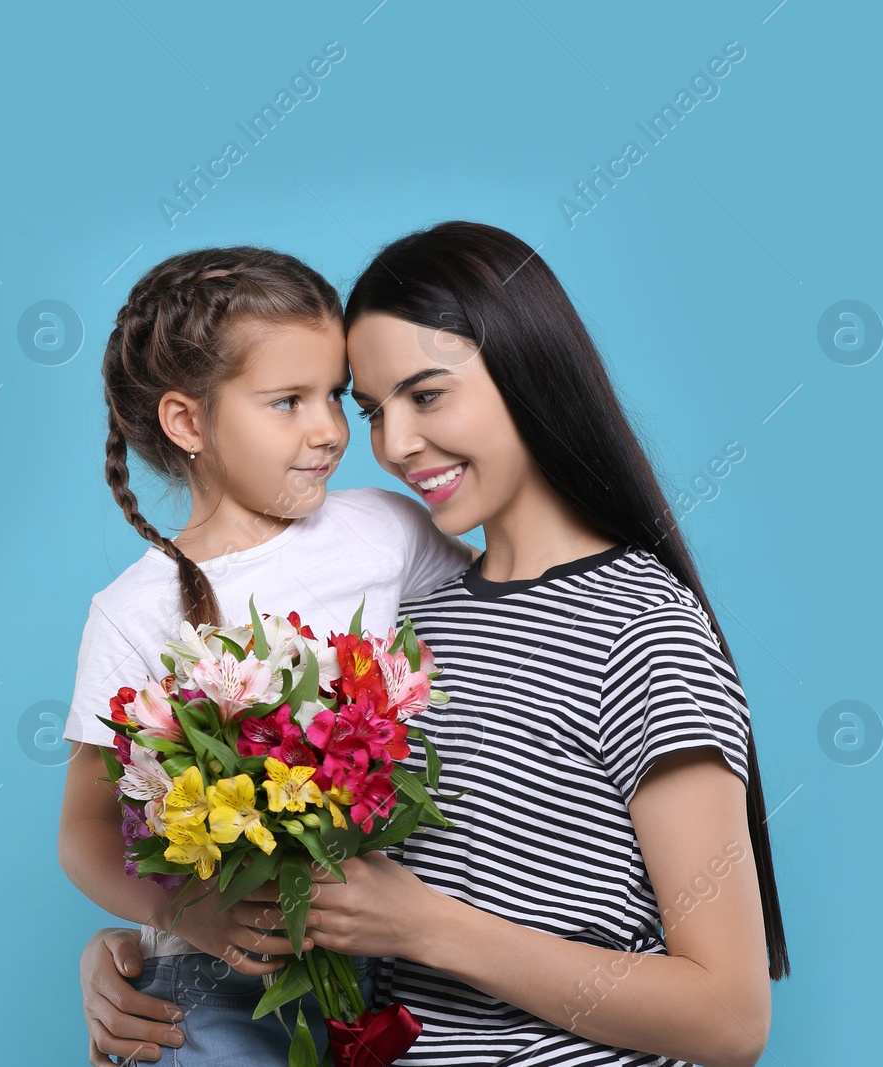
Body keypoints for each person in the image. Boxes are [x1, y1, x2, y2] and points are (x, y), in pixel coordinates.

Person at [77, 221, 789, 1067]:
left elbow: (730, 1018)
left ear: (529, 367)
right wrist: (149, 955)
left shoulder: (642, 629)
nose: (389, 445)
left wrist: (427, 925)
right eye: (375, 408)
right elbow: (318, 886)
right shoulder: (402, 624)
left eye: (426, 394)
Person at [58, 245, 479, 1065]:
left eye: (331, 397)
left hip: (387, 954)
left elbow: (494, 627)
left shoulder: (384, 528)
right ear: (188, 423)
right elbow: (84, 829)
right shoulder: (132, 611)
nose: (328, 430)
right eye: (287, 401)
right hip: (218, 984)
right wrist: (192, 917)